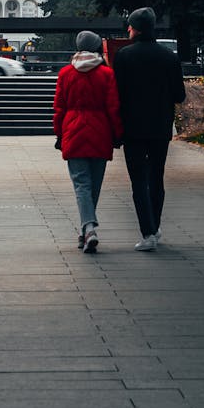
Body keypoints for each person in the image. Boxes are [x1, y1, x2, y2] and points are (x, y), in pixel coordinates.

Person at [113, 7, 185, 252]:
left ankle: (148, 232)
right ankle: (155, 227)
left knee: (138, 181)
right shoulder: (169, 57)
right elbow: (179, 95)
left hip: (132, 128)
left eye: (130, 26)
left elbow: (117, 94)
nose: (128, 30)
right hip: (160, 127)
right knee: (156, 177)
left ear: (136, 28)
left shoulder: (123, 56)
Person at [54, 30, 124, 253]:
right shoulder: (106, 74)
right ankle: (88, 229)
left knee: (82, 185)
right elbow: (114, 108)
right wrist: (117, 134)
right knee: (94, 185)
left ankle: (88, 229)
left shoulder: (65, 73)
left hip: (73, 131)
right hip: (100, 132)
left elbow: (59, 108)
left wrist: (59, 134)